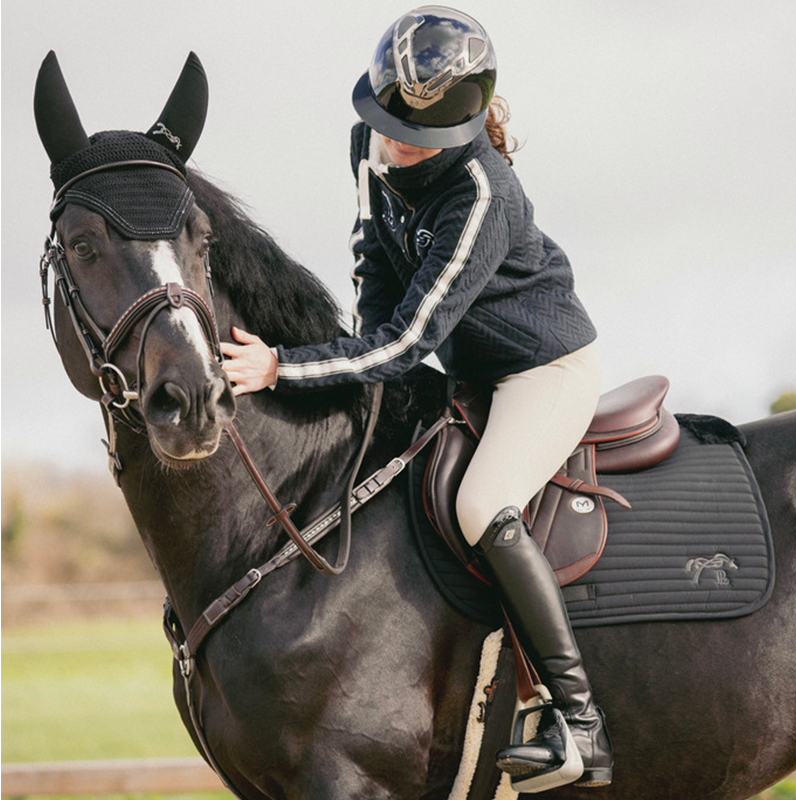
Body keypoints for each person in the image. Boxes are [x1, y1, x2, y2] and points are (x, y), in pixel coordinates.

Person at [220, 6, 612, 792]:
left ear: (458, 131)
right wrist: (361, 379)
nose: (394, 144)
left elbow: (406, 343)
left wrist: (282, 368)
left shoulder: (480, 194)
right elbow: (374, 266)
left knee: (480, 503)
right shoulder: (373, 136)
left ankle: (579, 723)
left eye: (415, 137)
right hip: (464, 373)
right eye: (386, 122)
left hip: (540, 370)